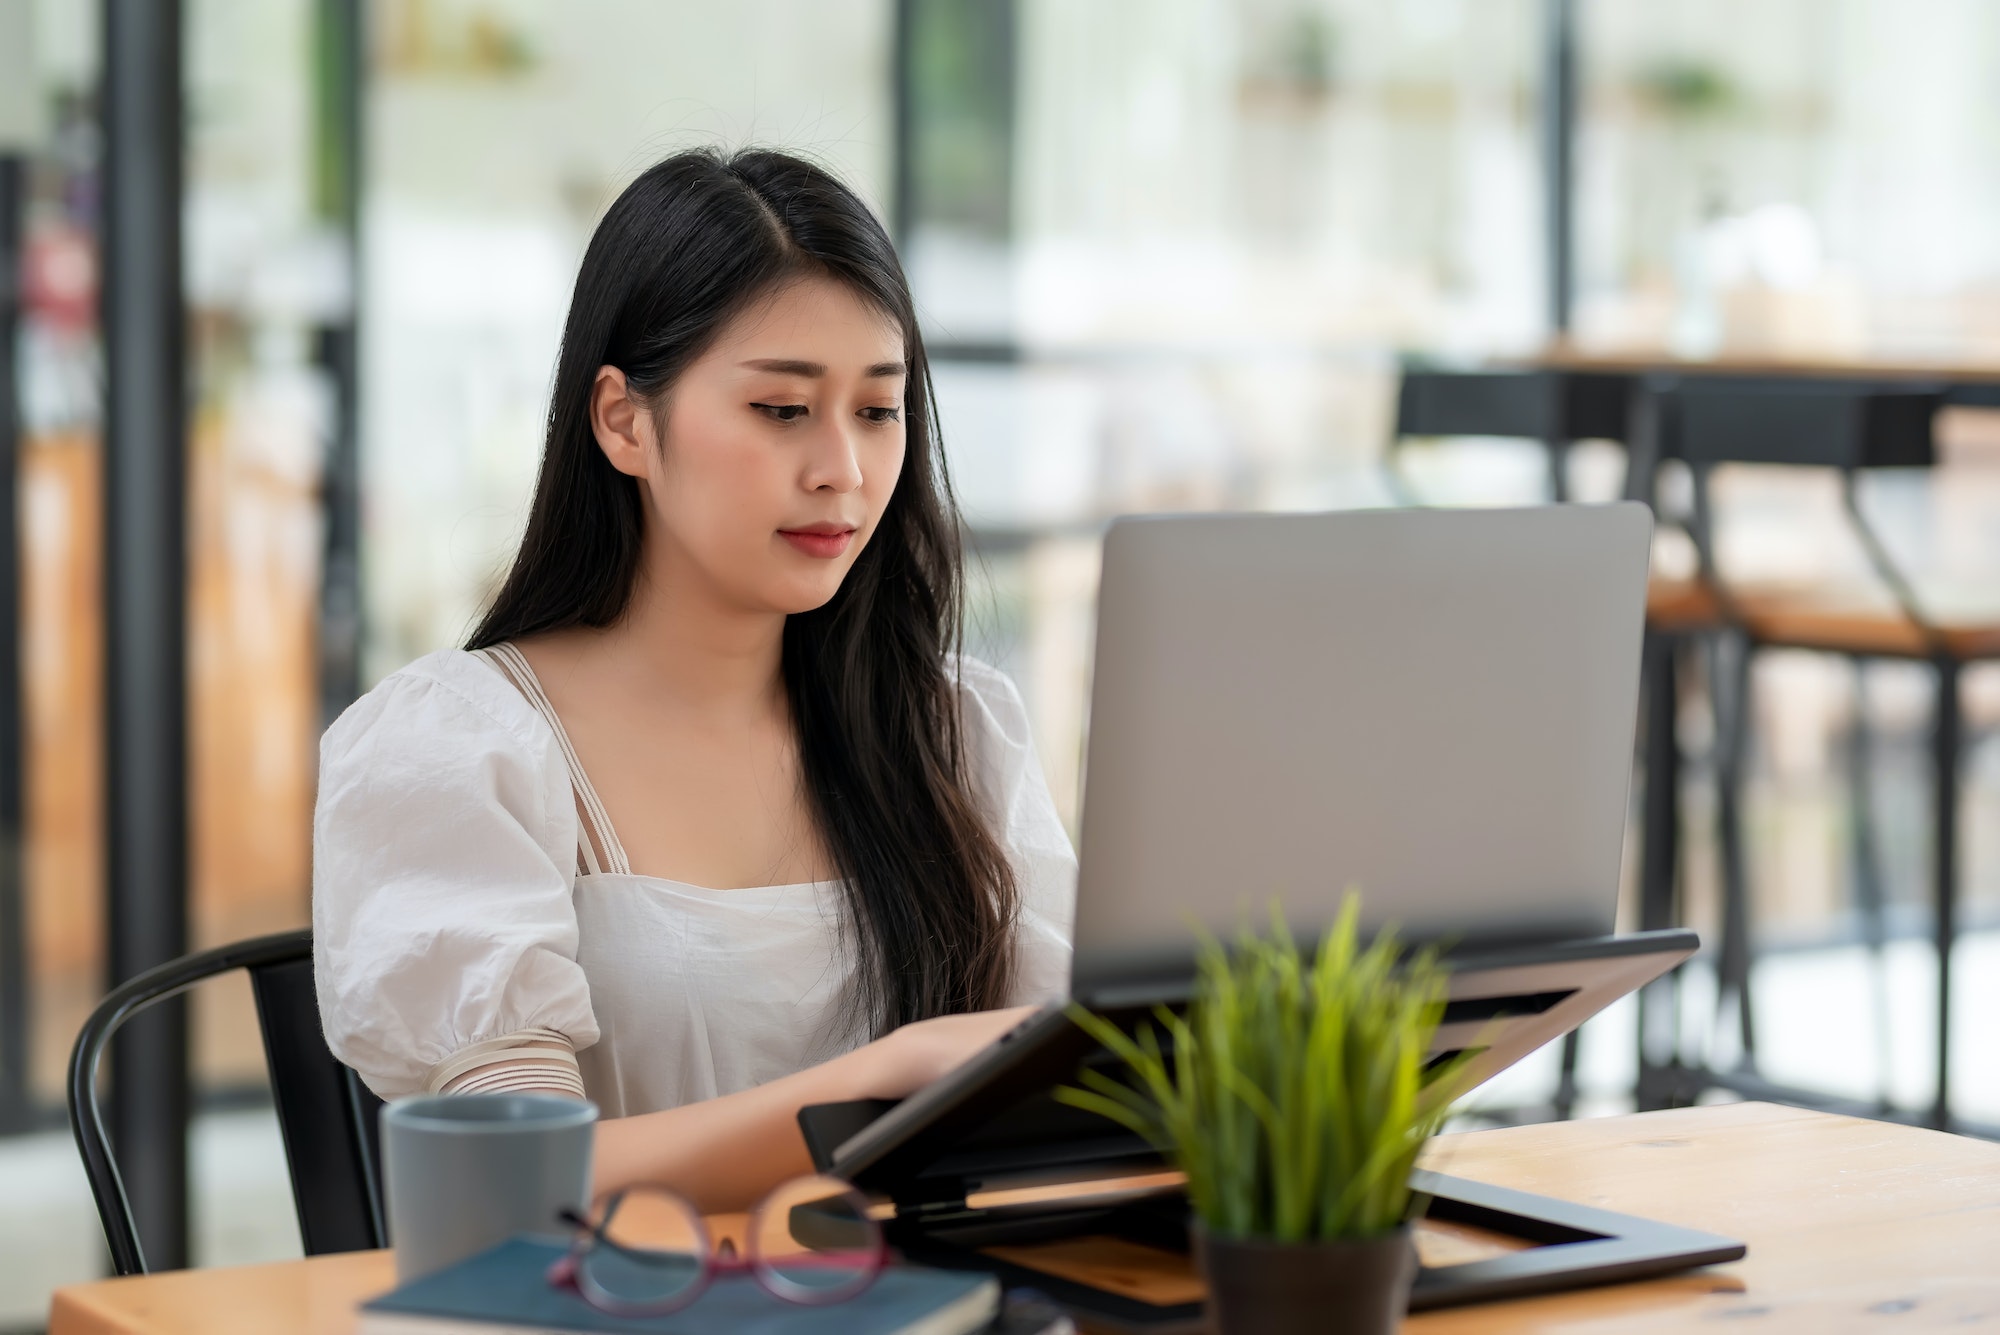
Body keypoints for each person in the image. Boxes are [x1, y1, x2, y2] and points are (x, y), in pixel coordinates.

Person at [313, 147, 1075, 1212]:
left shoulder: (950, 728)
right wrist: (870, 1090)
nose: (841, 472)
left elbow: (1070, 1101)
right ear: (624, 421)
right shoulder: (461, 749)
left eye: (876, 410)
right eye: (781, 410)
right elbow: (511, 1189)